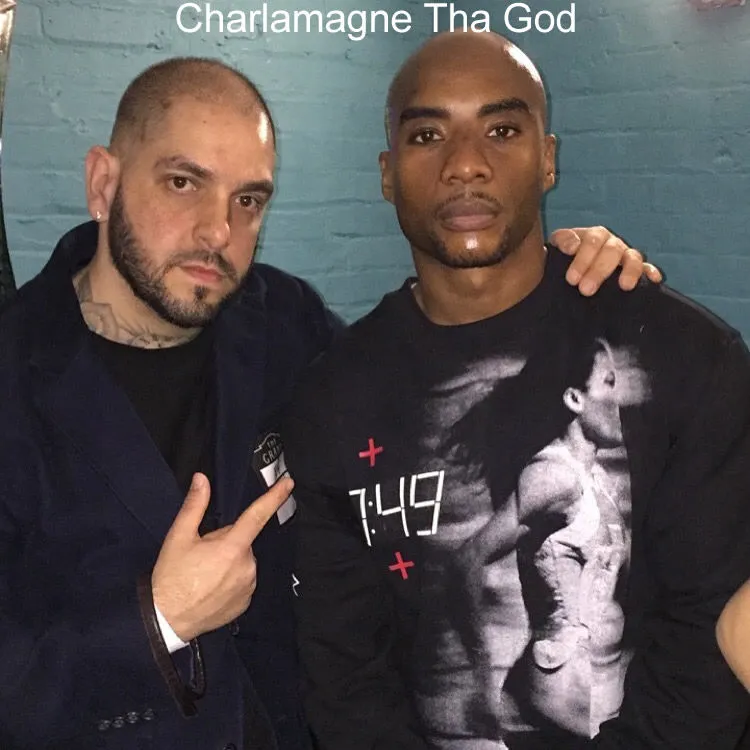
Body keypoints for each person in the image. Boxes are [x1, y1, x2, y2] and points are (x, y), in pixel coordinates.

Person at [0, 56, 650, 750]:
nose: (218, 231)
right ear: (103, 184)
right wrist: (155, 622)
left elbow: (425, 372)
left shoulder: (282, 323)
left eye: (248, 200)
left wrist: (557, 276)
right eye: (183, 183)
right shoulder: (16, 378)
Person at [284, 30, 750, 750]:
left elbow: (708, 643)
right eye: (427, 134)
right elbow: (345, 677)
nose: (465, 163)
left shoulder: (685, 356)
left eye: (502, 130)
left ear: (548, 158)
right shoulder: (331, 399)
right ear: (386, 173)